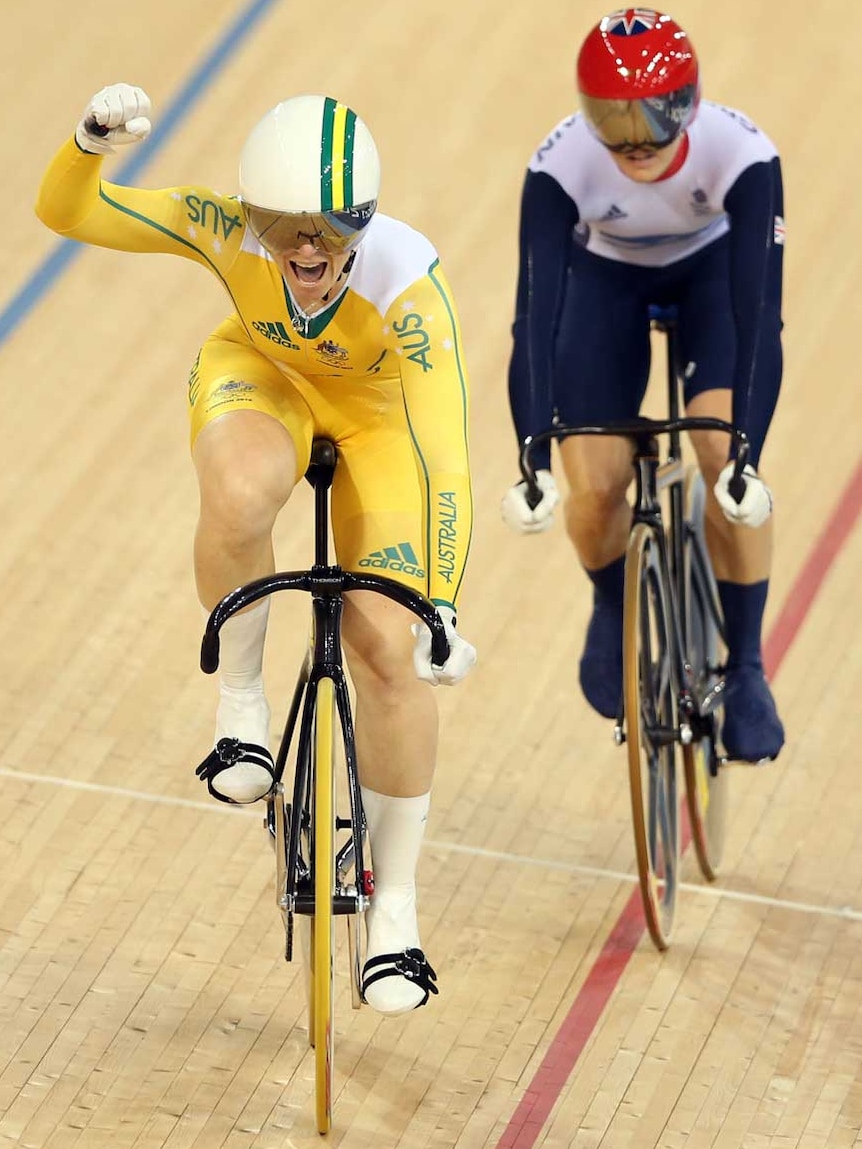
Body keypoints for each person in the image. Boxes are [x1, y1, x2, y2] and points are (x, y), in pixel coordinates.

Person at [36, 83, 476, 1015]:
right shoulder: (224, 228)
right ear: (253, 215)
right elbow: (64, 210)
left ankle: (393, 911)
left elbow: (444, 450)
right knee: (239, 493)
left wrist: (441, 600)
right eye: (283, 227)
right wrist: (86, 143)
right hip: (262, 380)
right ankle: (241, 707)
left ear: (360, 218)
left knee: (391, 651)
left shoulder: (407, 279)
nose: (306, 250)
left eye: (326, 228)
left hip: (381, 430)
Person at [500, 8, 785, 763]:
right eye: (609, 119)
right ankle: (611, 600)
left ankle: (748, 665)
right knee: (593, 485)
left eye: (649, 117)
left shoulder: (743, 155)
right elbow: (535, 319)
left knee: (720, 457)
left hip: (712, 273)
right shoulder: (560, 167)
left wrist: (747, 454)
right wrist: (530, 454)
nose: (631, 140)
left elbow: (759, 316)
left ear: (685, 103)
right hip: (609, 279)